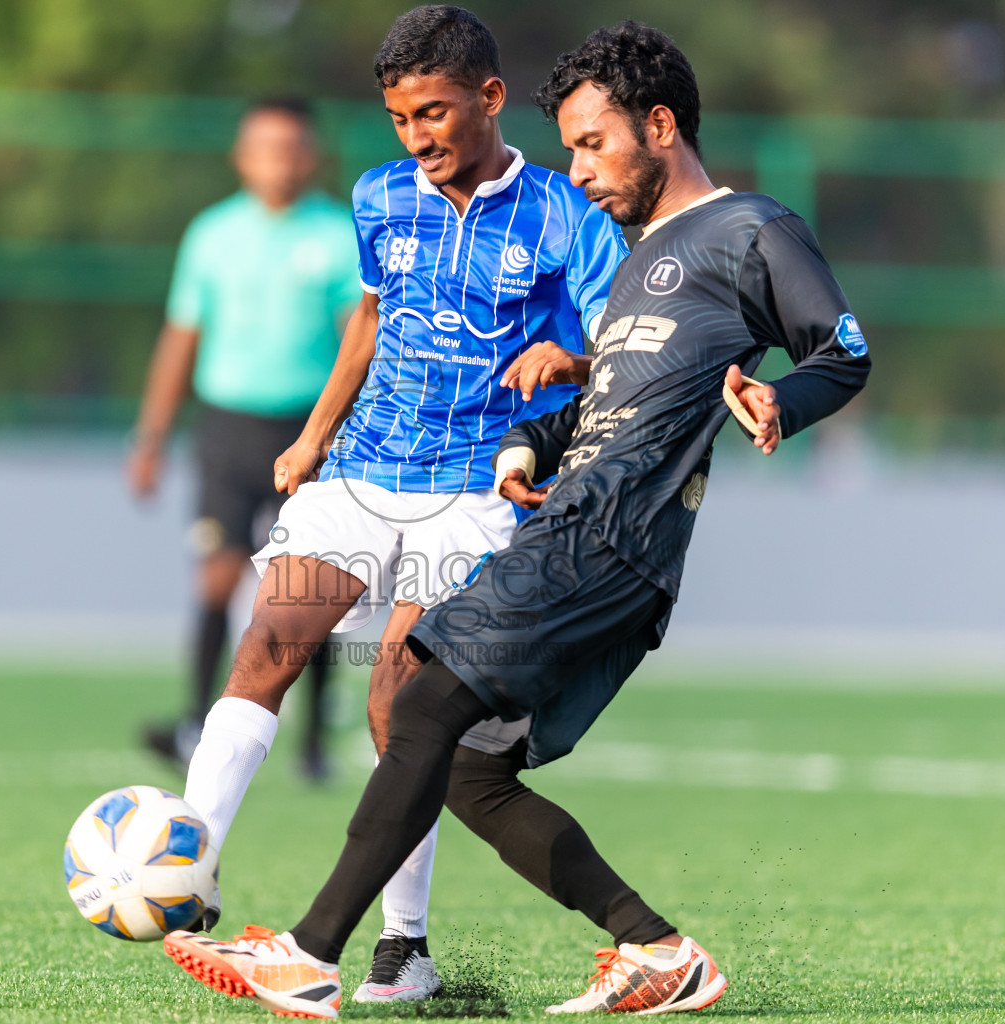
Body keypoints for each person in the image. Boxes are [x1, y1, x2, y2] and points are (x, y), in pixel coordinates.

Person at [159, 20, 873, 1019]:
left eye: (593, 144)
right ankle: (657, 949)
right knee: (468, 771)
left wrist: (779, 402)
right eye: (572, 147)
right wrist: (531, 439)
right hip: (561, 513)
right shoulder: (640, 258)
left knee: (416, 709)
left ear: (659, 126)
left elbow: (841, 349)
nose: (580, 170)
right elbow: (622, 386)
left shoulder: (749, 229)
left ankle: (313, 952)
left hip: (601, 536)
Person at [169, 4, 629, 1003]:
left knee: (397, 703)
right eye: (400, 119)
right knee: (268, 644)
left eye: (434, 113)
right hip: (365, 469)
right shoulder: (379, 197)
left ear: (490, 98)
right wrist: (314, 434)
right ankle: (184, 868)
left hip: (476, 494)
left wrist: (572, 357)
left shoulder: (563, 214)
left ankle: (402, 944)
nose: (418, 138)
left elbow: (621, 348)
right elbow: (369, 321)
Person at [129, 97, 356, 781]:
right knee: (218, 575)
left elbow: (361, 337)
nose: (278, 160)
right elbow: (181, 336)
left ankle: (314, 742)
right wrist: (151, 437)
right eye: (264, 146)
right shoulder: (212, 234)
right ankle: (197, 722)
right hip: (228, 426)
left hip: (309, 430)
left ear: (312, 155)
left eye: (291, 147)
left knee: (309, 588)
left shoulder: (340, 235)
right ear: (241, 155)